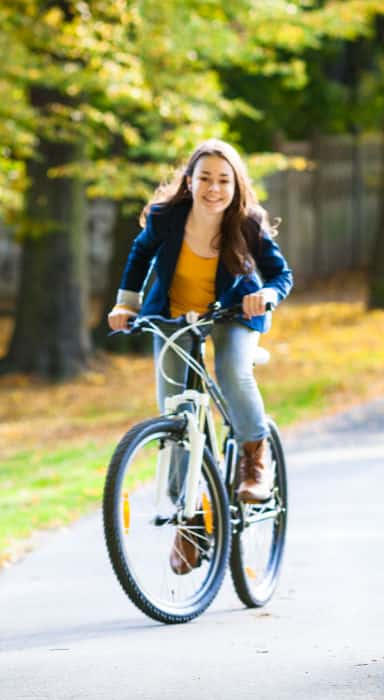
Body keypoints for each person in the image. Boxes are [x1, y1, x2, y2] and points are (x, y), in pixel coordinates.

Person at [106, 139, 293, 574]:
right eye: (205, 178)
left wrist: (266, 295)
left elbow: (281, 274)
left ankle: (254, 458)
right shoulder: (166, 217)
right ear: (189, 182)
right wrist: (126, 303)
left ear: (236, 185)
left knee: (231, 372)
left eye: (223, 180)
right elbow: (139, 256)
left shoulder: (247, 222)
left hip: (233, 314)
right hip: (173, 316)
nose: (214, 188)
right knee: (175, 415)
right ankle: (190, 521)